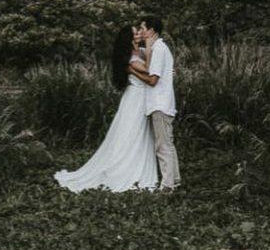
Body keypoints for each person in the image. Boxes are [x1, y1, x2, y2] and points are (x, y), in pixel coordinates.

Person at [53, 25, 158, 192]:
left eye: (139, 30)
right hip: (136, 99)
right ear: (129, 39)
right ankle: (125, 167)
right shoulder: (131, 57)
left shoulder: (139, 53)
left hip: (139, 97)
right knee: (130, 133)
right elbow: (149, 69)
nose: (139, 33)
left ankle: (137, 162)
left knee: (137, 133)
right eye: (136, 32)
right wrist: (150, 46)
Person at [132, 15, 180, 191]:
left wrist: (133, 72)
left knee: (163, 146)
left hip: (160, 103)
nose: (141, 31)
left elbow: (153, 80)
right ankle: (174, 179)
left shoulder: (159, 49)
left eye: (143, 28)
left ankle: (167, 185)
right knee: (168, 143)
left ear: (152, 30)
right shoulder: (159, 48)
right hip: (163, 103)